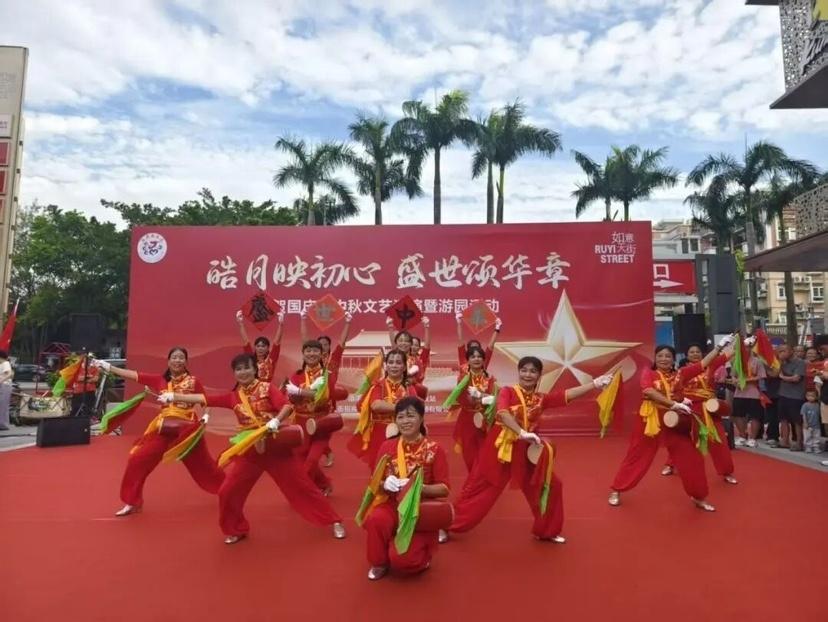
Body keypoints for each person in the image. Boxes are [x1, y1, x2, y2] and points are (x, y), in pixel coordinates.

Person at [165, 352, 346, 544]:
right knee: (228, 491)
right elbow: (204, 399)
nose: (243, 372)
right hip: (250, 452)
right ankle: (236, 528)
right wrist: (173, 396)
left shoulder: (267, 388)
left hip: (276, 449)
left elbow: (286, 406)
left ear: (254, 370)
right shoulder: (233, 397)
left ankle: (334, 521)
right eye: (239, 369)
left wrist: (276, 421)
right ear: (234, 373)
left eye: (247, 368)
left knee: (303, 487)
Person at [450, 356, 611, 542]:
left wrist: (594, 384)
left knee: (550, 485)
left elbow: (566, 395)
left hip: (526, 450)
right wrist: (521, 432)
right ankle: (448, 523)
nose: (528, 374)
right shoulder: (508, 392)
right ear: (518, 372)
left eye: (533, 371)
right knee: (481, 490)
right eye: (524, 370)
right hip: (501, 449)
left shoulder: (541, 399)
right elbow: (502, 413)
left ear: (539, 375)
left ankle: (547, 530)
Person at [92, 349, 225, 517]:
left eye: (181, 358)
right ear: (168, 361)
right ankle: (132, 501)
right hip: (164, 426)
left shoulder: (193, 381)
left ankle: (227, 489)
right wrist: (109, 367)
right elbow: (133, 375)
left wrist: (206, 417)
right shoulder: (160, 380)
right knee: (138, 459)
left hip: (187, 429)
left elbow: (206, 401)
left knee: (205, 465)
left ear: (186, 362)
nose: (178, 361)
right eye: (174, 357)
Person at [608, 339, 732, 512]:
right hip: (651, 420)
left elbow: (704, 363)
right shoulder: (648, 373)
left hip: (675, 420)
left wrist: (719, 347)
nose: (664, 359)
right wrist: (673, 404)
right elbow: (648, 391)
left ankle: (698, 496)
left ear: (674, 359)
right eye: (660, 356)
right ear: (655, 358)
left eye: (668, 356)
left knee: (692, 457)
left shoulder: (681, 374)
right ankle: (617, 489)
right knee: (637, 455)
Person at [361, 397, 450, 581]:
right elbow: (374, 482)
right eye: (400, 417)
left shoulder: (435, 449)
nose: (405, 421)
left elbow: (444, 489)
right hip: (392, 504)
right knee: (376, 519)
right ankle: (379, 562)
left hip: (418, 510)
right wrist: (385, 483)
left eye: (411, 416)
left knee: (403, 562)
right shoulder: (387, 446)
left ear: (421, 418)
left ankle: (423, 556)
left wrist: (419, 488)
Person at [661, 340, 738, 484]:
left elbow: (728, 354)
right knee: (683, 438)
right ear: (686, 355)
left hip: (709, 408)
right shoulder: (682, 371)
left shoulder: (711, 365)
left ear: (702, 354)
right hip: (689, 408)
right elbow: (674, 390)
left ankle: (726, 471)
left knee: (718, 440)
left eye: (697, 352)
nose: (695, 354)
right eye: (692, 352)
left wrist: (742, 343)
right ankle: (670, 464)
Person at [348, 349, 419, 469]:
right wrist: (404, 407)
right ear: (386, 366)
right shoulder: (378, 386)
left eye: (398, 363)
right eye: (390, 362)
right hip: (379, 432)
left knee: (401, 469)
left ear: (404, 367)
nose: (394, 365)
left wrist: (391, 407)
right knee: (378, 469)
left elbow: (416, 409)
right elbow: (376, 405)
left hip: (403, 432)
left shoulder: (409, 388)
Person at [300, 309, 353, 468]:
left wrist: (347, 323)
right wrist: (303, 320)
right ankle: (324, 453)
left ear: (329, 347)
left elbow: (342, 342)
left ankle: (324, 452)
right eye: (320, 345)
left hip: (327, 402)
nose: (322, 347)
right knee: (310, 433)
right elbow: (305, 342)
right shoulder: (311, 361)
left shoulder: (333, 360)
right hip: (310, 401)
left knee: (323, 430)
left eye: (325, 345)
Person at [286, 340, 339, 495]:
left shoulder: (327, 374)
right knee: (301, 458)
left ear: (321, 354)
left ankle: (304, 493)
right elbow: (291, 398)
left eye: (315, 351)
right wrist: (293, 394)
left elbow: (322, 396)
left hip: (322, 423)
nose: (311, 354)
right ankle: (324, 484)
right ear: (303, 354)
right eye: (308, 350)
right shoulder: (297, 375)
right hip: (301, 422)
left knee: (312, 460)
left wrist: (299, 392)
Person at [451, 345, 497, 473]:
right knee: (470, 457)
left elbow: (494, 400)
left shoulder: (490, 379)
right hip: (467, 420)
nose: (476, 359)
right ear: (468, 361)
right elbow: (463, 399)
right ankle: (473, 480)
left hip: (485, 420)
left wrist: (480, 396)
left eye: (479, 356)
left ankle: (480, 480)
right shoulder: (463, 379)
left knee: (484, 456)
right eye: (473, 357)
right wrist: (483, 398)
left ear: (483, 360)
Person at [724, 337, 765, 447]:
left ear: (751, 348)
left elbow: (761, 376)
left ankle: (752, 438)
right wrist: (735, 381)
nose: (745, 350)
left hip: (754, 393)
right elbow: (733, 375)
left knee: (755, 416)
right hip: (739, 392)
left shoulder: (757, 361)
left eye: (747, 348)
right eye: (743, 348)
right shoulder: (737, 362)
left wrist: (746, 380)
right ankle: (742, 435)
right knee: (738, 415)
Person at [235, 309, 284, 384]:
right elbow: (245, 341)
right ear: (255, 347)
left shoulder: (271, 359)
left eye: (263, 346)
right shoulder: (251, 359)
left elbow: (277, 342)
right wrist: (240, 323)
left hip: (267, 389)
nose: (260, 348)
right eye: (258, 346)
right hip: (252, 389)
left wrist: (281, 324)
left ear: (267, 348)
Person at [386, 317, 431, 399]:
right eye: (401, 340)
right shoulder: (397, 358)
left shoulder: (418, 361)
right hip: (395, 394)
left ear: (410, 344)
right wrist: (390, 327)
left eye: (406, 341)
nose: (403, 343)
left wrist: (427, 326)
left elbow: (427, 347)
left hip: (413, 394)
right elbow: (393, 345)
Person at [777, 344, 806, 451]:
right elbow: (774, 373)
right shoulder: (782, 363)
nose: (781, 353)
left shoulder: (800, 362)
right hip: (783, 393)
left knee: (797, 420)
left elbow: (796, 378)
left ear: (791, 351)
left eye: (783, 351)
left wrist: (782, 377)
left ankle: (799, 443)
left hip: (796, 395)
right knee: (783, 419)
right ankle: (785, 441)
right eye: (780, 351)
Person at [0, 350, 12, 430]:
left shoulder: (6, 363)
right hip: (2, 385)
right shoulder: (1, 364)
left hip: (5, 386)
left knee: (3, 405)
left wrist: (1, 380)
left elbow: (9, 374)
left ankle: (3, 424)